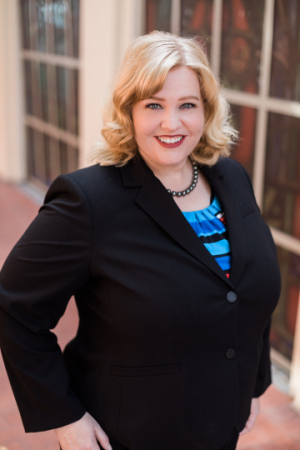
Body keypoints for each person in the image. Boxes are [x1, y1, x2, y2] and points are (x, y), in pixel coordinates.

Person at [0, 31, 281, 450]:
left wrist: (253, 383)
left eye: (187, 105)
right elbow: (14, 307)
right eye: (154, 105)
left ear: (206, 111)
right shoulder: (88, 201)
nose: (172, 123)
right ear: (128, 111)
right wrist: (65, 417)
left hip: (219, 426)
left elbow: (244, 288)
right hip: (128, 434)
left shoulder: (232, 178)